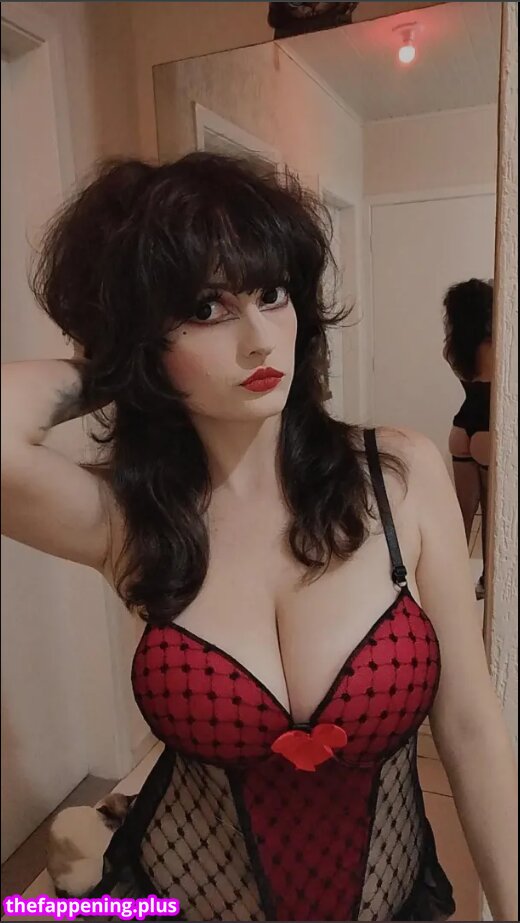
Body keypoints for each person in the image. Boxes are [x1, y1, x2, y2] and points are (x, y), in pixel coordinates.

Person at [1, 154, 516, 922]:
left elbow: (471, 729)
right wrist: (115, 360)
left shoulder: (399, 474)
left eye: (272, 294)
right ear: (144, 338)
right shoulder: (133, 519)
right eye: (206, 307)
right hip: (187, 892)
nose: (260, 339)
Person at [443, 279, 494, 600]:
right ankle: (488, 580)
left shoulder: (453, 350)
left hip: (461, 431)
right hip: (489, 432)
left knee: (460, 514)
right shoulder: (496, 349)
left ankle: (451, 584)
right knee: (491, 514)